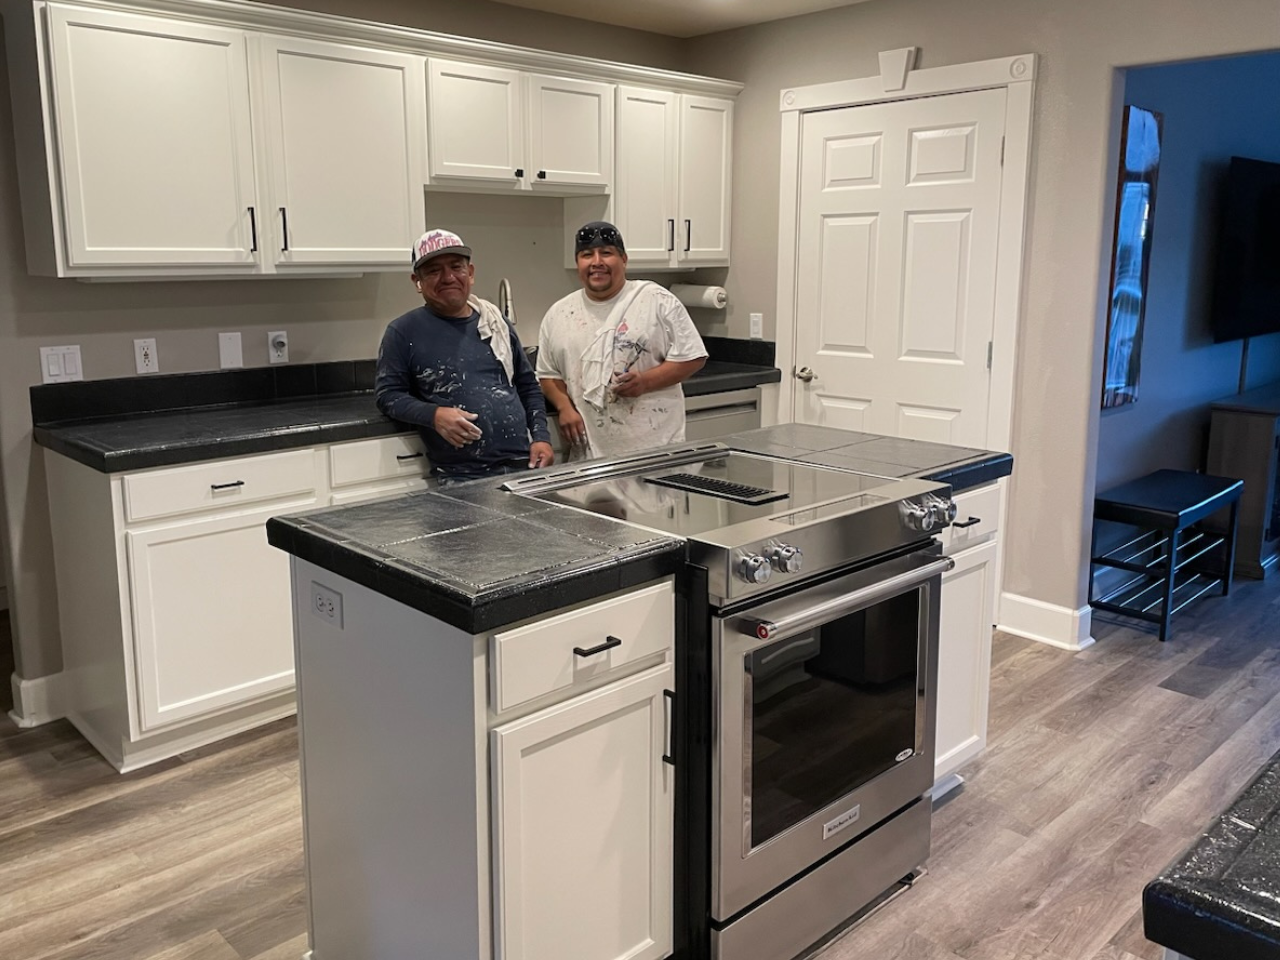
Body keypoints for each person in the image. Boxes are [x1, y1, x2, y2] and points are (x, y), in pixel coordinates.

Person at [376, 228, 553, 485]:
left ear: (470, 273)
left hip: (524, 467)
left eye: (456, 266)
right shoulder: (403, 332)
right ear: (417, 281)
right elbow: (388, 395)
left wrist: (541, 437)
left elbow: (527, 387)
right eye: (434, 271)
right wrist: (434, 415)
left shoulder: (496, 325)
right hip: (462, 477)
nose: (448, 277)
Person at [536, 221, 707, 458]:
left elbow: (693, 357)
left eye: (606, 253)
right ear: (578, 263)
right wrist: (564, 407)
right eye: (587, 255)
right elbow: (548, 374)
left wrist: (646, 382)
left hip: (655, 450)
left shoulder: (655, 299)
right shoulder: (559, 313)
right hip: (590, 455)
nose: (597, 262)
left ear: (623, 259)